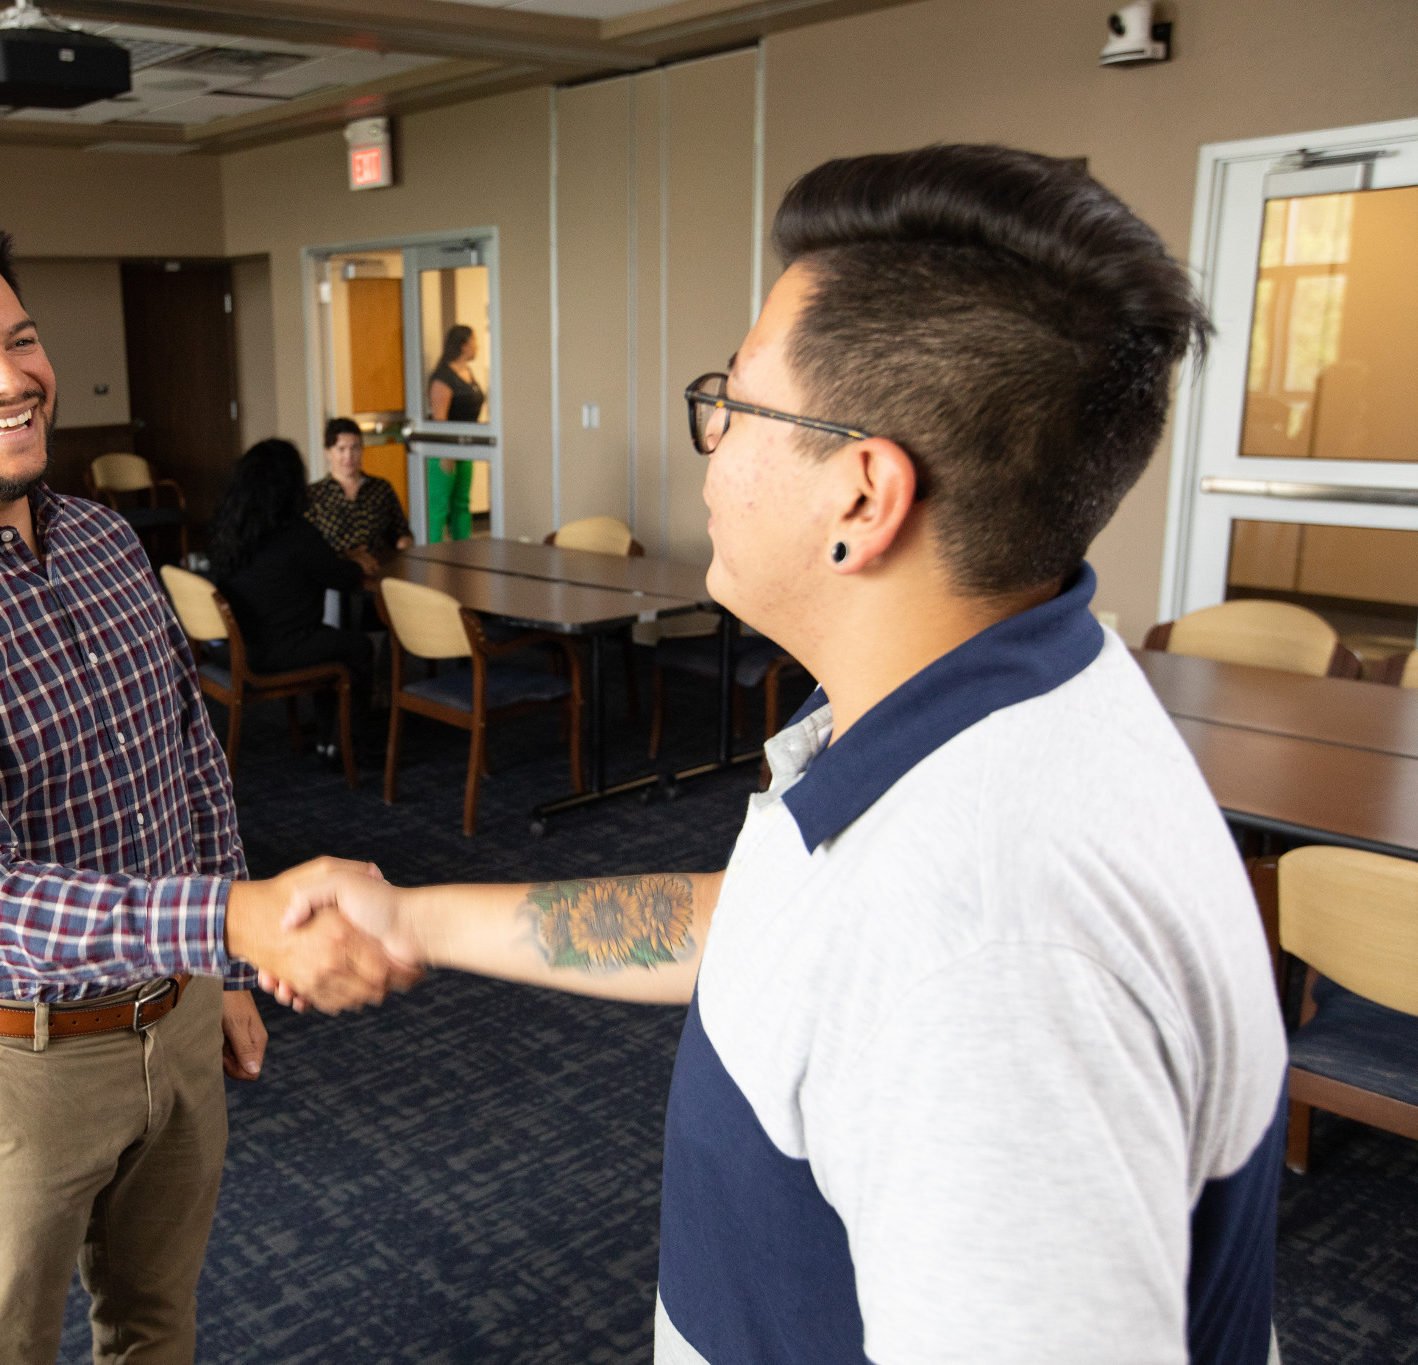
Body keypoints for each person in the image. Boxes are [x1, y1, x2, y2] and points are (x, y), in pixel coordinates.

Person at [273, 147, 1289, 1364]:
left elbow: (918, 957)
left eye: (735, 403)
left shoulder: (983, 951)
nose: (709, 442)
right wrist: (416, 922)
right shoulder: (1007, 700)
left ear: (862, 497)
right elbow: (774, 927)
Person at [0, 216, 412, 1364]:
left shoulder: (103, 541)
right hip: (5, 1064)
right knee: (0, 1353)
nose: (9, 379)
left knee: (153, 1325)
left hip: (171, 1019)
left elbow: (185, 764)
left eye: (20, 341)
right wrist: (232, 919)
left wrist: (215, 971)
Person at [210, 438, 376, 760]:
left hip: (231, 647)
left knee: (331, 642)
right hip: (274, 651)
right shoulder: (297, 534)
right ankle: (346, 747)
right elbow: (341, 578)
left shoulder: (231, 529)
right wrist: (357, 562)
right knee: (357, 648)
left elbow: (307, 565)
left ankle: (328, 739)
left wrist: (340, 559)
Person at [307, 416, 411, 560]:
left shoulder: (381, 489)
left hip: (381, 569)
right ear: (328, 452)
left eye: (354, 448)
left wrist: (405, 549)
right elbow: (306, 548)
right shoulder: (313, 495)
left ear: (362, 449)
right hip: (335, 576)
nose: (348, 456)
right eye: (341, 449)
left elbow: (401, 533)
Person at [425, 324, 483, 543]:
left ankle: (462, 549)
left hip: (464, 448)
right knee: (440, 505)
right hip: (445, 450)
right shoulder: (443, 377)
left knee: (461, 502)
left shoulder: (468, 373)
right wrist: (446, 452)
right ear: (463, 345)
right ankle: (433, 552)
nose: (476, 346)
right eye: (474, 341)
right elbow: (440, 418)